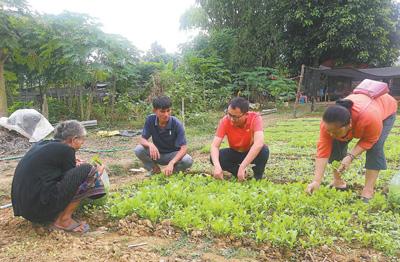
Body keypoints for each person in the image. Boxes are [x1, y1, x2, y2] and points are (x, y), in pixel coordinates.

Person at [11, 120, 106, 233]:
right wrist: (96, 172)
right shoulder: (66, 150)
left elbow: (54, 173)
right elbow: (72, 182)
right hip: (38, 209)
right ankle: (63, 220)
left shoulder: (43, 144)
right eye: (82, 139)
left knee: (83, 170)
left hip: (25, 208)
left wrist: (75, 166)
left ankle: (55, 216)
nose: (83, 143)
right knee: (88, 169)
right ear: (73, 139)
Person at [306, 90, 397, 202]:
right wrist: (316, 181)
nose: (330, 133)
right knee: (335, 142)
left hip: (385, 109)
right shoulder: (329, 124)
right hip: (363, 110)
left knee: (375, 147)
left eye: (335, 131)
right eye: (329, 131)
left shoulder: (369, 118)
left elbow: (369, 140)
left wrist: (350, 156)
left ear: (349, 124)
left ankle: (368, 190)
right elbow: (323, 152)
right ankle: (338, 181)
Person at [210, 97, 269, 181]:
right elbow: (214, 146)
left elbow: (258, 143)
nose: (231, 119)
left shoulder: (255, 118)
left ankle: (257, 176)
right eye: (229, 114)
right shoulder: (225, 121)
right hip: (235, 152)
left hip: (250, 152)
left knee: (264, 150)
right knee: (214, 157)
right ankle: (239, 172)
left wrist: (243, 166)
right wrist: (217, 166)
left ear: (246, 114)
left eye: (235, 117)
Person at [134, 96, 193, 176]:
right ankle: (154, 170)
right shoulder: (150, 120)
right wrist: (150, 144)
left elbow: (184, 148)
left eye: (168, 111)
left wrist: (172, 163)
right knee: (139, 149)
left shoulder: (176, 123)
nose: (166, 114)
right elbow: (142, 139)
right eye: (162, 111)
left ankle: (172, 172)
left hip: (172, 155)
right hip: (157, 154)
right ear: (154, 111)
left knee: (187, 160)